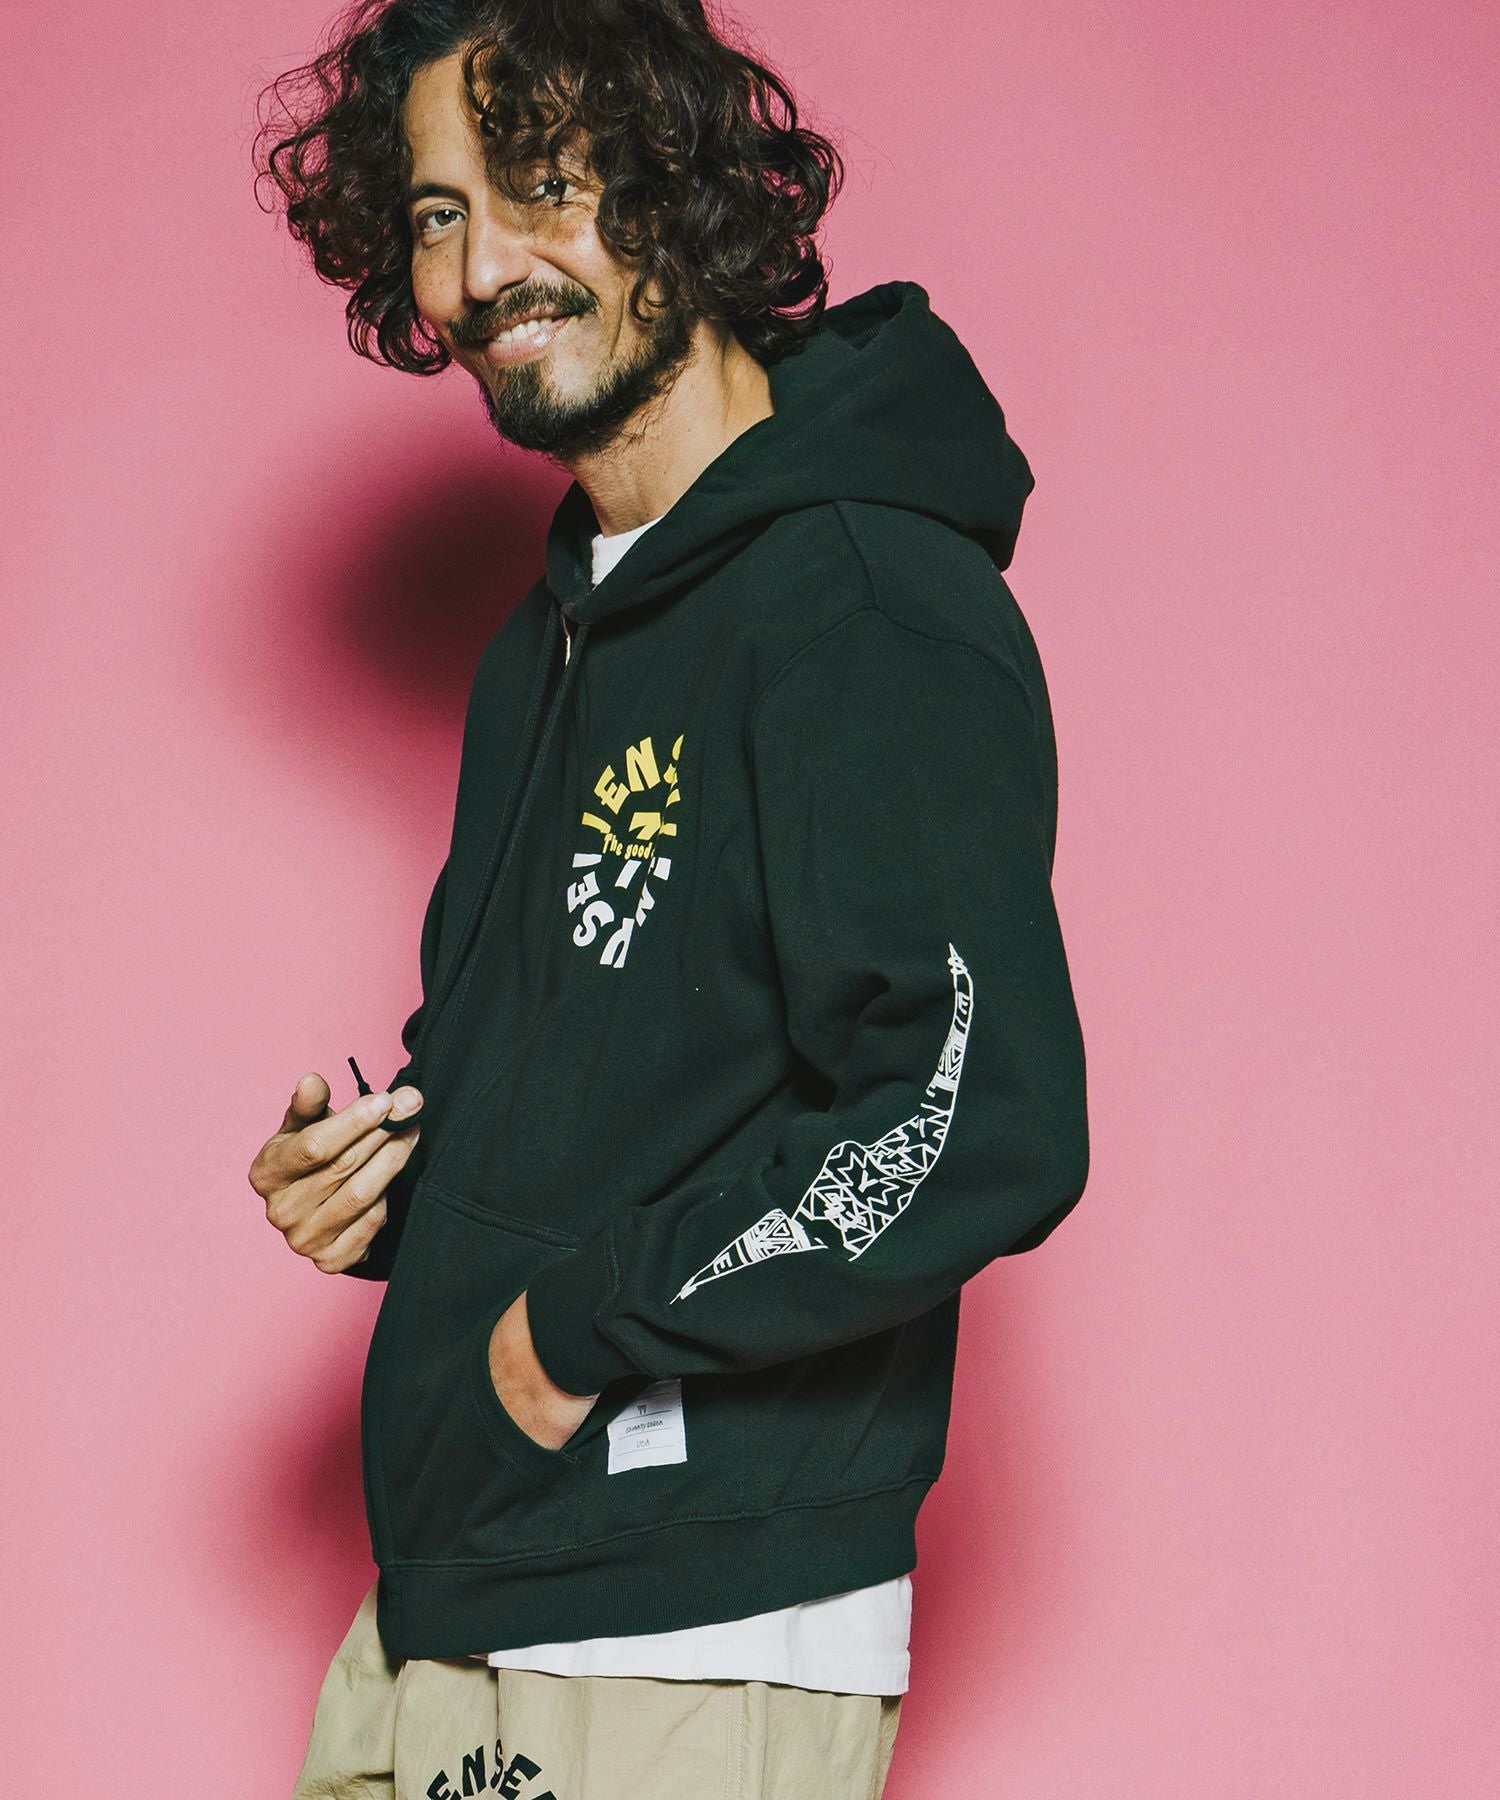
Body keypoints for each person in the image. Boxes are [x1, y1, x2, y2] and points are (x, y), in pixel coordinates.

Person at [248, 2, 1090, 1795]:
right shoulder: (542, 644)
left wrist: (575, 1331)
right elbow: (616, 1078)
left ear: (676, 192)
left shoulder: (860, 602)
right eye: (438, 213)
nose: (483, 268)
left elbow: (971, 1115)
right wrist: (395, 1193)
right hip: (455, 1591)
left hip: (687, 1632)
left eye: (542, 185)